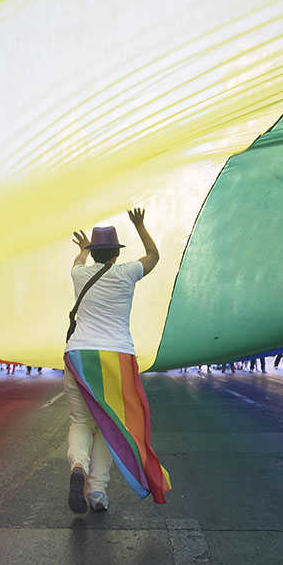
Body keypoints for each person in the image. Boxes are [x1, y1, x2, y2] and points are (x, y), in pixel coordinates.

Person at [63, 209, 170, 515]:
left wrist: (84, 249)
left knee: (81, 421)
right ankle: (97, 491)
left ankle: (78, 467)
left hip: (78, 354)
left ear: (95, 254)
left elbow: (78, 262)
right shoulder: (126, 274)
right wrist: (140, 225)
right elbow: (153, 256)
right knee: (109, 425)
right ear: (114, 255)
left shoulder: (79, 274)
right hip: (116, 358)